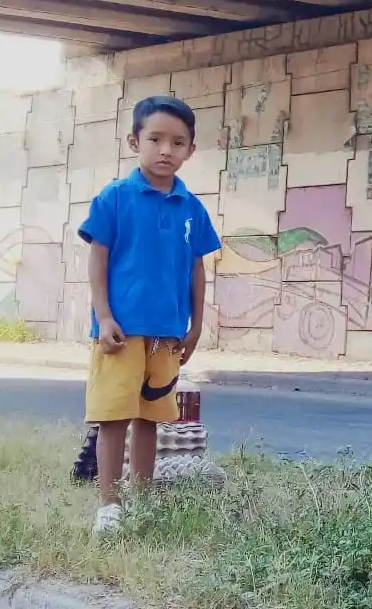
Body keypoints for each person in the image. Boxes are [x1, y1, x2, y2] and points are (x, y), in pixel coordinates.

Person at [78, 95, 222, 532]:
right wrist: (103, 316)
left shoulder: (191, 208)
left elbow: (196, 269)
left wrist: (197, 325)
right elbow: (98, 259)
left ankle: (141, 500)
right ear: (133, 140)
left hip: (168, 334)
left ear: (190, 151)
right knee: (113, 416)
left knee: (150, 419)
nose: (166, 150)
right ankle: (109, 505)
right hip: (119, 331)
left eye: (178, 142)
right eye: (155, 138)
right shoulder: (115, 198)